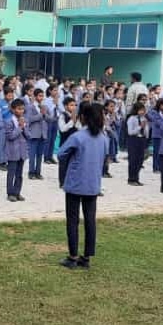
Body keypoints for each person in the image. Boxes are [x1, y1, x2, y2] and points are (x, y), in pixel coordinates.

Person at [58, 103, 109, 270]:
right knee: (90, 220)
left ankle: (72, 257)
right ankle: (86, 257)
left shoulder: (78, 136)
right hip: (93, 184)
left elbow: (61, 154)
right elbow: (105, 157)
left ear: (83, 117)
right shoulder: (103, 138)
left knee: (72, 220)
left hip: (75, 182)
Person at [4, 98, 30, 202]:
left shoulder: (25, 120)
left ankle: (17, 192)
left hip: (22, 151)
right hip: (12, 151)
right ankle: (10, 193)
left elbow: (28, 135)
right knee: (11, 173)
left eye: (22, 109)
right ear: (13, 109)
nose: (21, 111)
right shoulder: (9, 121)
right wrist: (19, 127)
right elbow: (10, 136)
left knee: (19, 174)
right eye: (19, 109)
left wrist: (24, 127)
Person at [26, 88, 48, 180]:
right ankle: (31, 172)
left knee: (39, 155)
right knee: (32, 155)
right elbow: (29, 119)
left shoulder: (44, 106)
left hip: (42, 134)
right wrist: (40, 115)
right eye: (39, 96)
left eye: (42, 96)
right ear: (35, 97)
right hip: (34, 134)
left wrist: (45, 115)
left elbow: (48, 118)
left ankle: (38, 172)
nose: (41, 98)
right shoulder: (30, 107)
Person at [126, 102, 149, 186]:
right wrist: (140, 127)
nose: (142, 112)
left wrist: (145, 130)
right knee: (133, 160)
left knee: (140, 160)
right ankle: (131, 179)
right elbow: (130, 132)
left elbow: (146, 131)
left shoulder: (144, 118)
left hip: (142, 139)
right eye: (141, 110)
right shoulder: (132, 119)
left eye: (143, 110)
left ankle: (136, 178)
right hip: (133, 139)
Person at [148, 98, 163, 173]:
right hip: (157, 135)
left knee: (162, 152)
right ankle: (155, 167)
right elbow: (157, 122)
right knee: (156, 152)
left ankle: (161, 166)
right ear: (160, 105)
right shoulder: (154, 112)